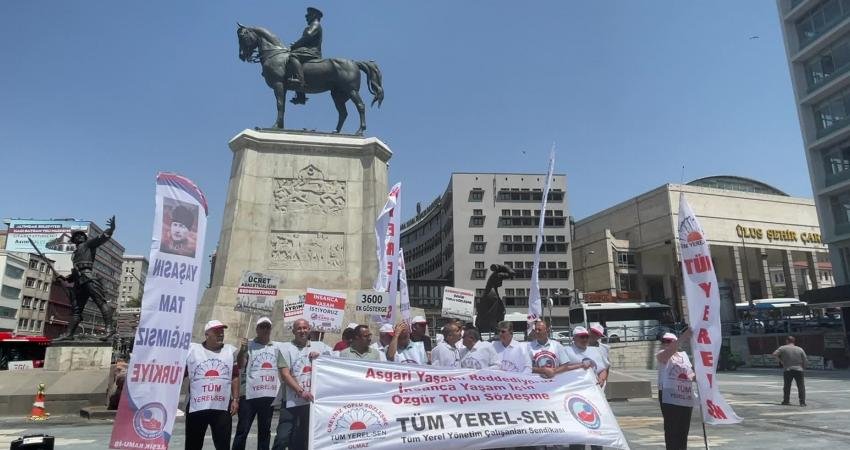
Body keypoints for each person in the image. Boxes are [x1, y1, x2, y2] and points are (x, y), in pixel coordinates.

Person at [54, 216, 116, 341]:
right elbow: (76, 271)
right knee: (76, 309)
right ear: (74, 240)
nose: (80, 237)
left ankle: (109, 329)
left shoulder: (87, 245)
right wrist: (65, 278)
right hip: (79, 281)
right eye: (77, 236)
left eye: (82, 235)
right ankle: (69, 334)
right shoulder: (75, 254)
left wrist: (111, 229)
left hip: (88, 277)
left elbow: (101, 238)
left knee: (100, 302)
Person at [274, 319, 331, 450]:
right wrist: (301, 391)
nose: (302, 331)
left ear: (309, 329)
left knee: (301, 438)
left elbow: (337, 357)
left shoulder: (320, 346)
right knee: (282, 437)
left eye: (305, 328)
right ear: (293, 331)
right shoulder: (284, 348)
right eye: (299, 328)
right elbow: (285, 374)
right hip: (290, 401)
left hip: (310, 402)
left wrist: (321, 356)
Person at [185, 320, 239, 450]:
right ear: (207, 334)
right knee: (193, 444)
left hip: (221, 407)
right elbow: (180, 374)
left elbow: (235, 376)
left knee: (223, 444)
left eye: (222, 332)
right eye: (216, 332)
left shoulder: (230, 351)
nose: (221, 334)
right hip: (197, 407)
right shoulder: (192, 351)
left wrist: (236, 399)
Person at [233, 317, 280, 450]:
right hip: (249, 396)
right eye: (262, 327)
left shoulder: (277, 346)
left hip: (268, 396)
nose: (265, 329)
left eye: (267, 327)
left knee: (265, 431)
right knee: (243, 430)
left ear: (270, 329)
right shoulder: (248, 345)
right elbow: (241, 365)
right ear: (257, 329)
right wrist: (242, 349)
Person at [656, 330, 695, 450]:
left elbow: (690, 373)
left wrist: (696, 376)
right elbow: (667, 354)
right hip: (669, 394)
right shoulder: (662, 354)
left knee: (683, 429)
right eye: (664, 341)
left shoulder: (684, 356)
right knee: (672, 428)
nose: (666, 343)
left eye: (669, 341)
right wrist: (684, 336)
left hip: (684, 393)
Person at [287, 7, 323, 105]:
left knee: (292, 56)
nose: (306, 17)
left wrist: (295, 45)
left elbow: (307, 36)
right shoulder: (313, 25)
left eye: (308, 15)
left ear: (314, 16)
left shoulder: (315, 24)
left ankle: (300, 80)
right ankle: (300, 96)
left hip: (312, 52)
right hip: (307, 50)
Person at [773, 335, 807, 406]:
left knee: (787, 386)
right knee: (801, 386)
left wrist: (780, 361)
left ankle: (786, 401)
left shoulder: (782, 348)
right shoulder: (800, 349)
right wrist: (803, 368)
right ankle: (802, 402)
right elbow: (805, 359)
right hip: (799, 369)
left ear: (787, 341)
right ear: (794, 341)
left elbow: (774, 354)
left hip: (788, 369)